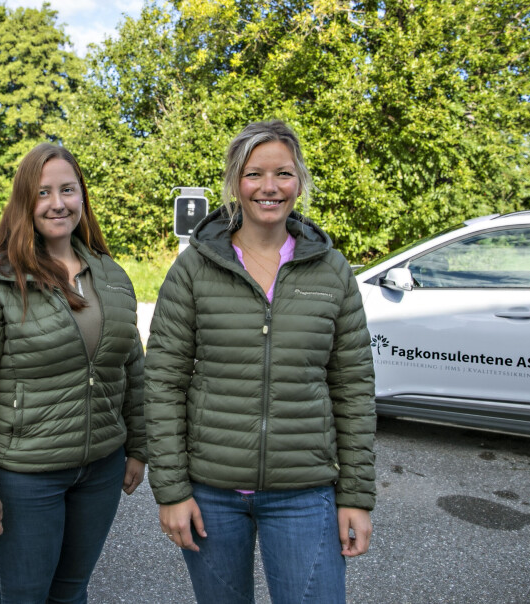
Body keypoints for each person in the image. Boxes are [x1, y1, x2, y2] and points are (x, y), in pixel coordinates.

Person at [144, 120, 376, 604]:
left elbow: (353, 387)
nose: (269, 187)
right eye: (254, 174)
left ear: (300, 182)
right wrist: (171, 490)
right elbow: (163, 382)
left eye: (283, 174)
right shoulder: (194, 268)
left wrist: (355, 496)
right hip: (211, 492)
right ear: (235, 183)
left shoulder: (332, 271)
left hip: (305, 491)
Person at [0, 143, 147, 603]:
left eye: (68, 190)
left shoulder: (110, 275)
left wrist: (139, 446)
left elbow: (131, 366)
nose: (58, 203)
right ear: (23, 202)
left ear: (82, 197)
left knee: (71, 593)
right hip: (24, 476)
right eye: (43, 192)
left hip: (100, 469)